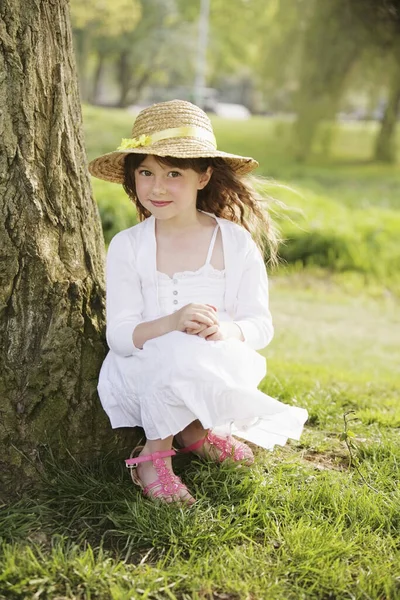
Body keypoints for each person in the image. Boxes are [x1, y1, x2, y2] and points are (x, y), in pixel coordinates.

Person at [89, 99, 308, 506]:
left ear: (204, 175)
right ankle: (153, 457)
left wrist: (225, 330)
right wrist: (170, 322)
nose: (157, 187)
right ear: (132, 177)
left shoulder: (234, 242)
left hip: (213, 363)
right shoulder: (128, 246)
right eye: (146, 172)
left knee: (191, 347)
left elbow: (260, 326)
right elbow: (119, 337)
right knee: (173, 347)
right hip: (140, 370)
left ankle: (194, 433)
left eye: (174, 173)